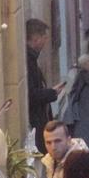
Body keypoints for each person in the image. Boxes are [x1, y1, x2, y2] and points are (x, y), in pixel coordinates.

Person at [25, 18, 61, 151]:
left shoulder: (31, 58)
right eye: (44, 38)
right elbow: (31, 94)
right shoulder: (28, 61)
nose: (46, 42)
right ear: (35, 38)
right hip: (36, 121)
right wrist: (52, 93)